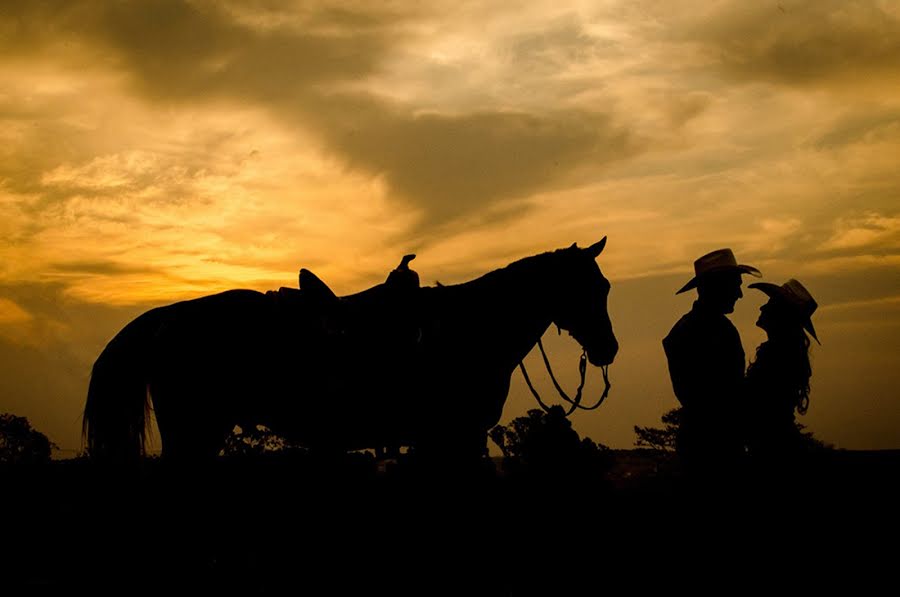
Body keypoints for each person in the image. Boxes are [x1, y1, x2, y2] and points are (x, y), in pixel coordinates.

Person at [663, 248, 761, 481]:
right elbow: (709, 397)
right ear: (717, 287)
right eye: (735, 286)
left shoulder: (692, 330)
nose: (740, 294)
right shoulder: (705, 331)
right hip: (713, 447)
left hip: (707, 443)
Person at [744, 279, 819, 473]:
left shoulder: (777, 355)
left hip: (773, 448)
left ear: (781, 315)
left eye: (770, 304)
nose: (762, 307)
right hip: (778, 443)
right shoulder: (785, 352)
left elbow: (760, 406)